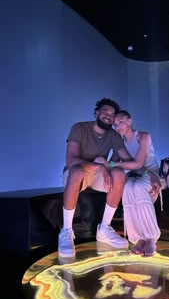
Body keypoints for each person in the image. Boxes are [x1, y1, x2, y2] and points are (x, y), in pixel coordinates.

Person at [59, 98, 133, 258]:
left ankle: (105, 228)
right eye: (105, 111)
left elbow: (128, 161)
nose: (108, 115)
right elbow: (71, 160)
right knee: (77, 171)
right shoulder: (79, 128)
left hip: (100, 176)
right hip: (78, 173)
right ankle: (66, 231)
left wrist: (149, 174)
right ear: (96, 113)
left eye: (112, 114)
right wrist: (99, 166)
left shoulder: (113, 135)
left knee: (119, 173)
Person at [111, 110, 162, 257]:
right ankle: (137, 238)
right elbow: (115, 163)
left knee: (139, 186)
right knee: (126, 188)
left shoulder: (143, 136)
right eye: (115, 124)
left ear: (129, 121)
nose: (118, 126)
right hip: (134, 176)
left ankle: (151, 237)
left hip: (151, 174)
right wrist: (108, 165)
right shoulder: (120, 143)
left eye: (121, 122)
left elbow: (139, 164)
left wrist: (111, 165)